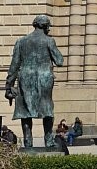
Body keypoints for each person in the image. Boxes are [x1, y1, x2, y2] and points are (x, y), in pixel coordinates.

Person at [4, 14, 65, 149]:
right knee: (47, 108)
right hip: (44, 78)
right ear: (45, 26)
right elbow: (60, 61)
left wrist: (8, 86)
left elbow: (14, 66)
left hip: (25, 78)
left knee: (25, 111)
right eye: (48, 26)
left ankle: (28, 142)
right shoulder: (49, 41)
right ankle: (48, 141)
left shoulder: (21, 41)